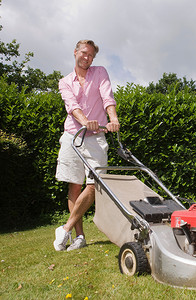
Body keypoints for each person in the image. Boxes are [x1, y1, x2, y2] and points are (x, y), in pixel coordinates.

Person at [54, 40, 120, 251]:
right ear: (75, 52)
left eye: (91, 55)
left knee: (95, 184)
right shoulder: (65, 82)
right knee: (74, 185)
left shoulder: (100, 72)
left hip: (96, 138)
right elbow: (71, 105)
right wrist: (84, 122)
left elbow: (107, 97)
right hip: (72, 136)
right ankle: (79, 237)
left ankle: (65, 229)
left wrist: (113, 118)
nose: (87, 58)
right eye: (84, 53)